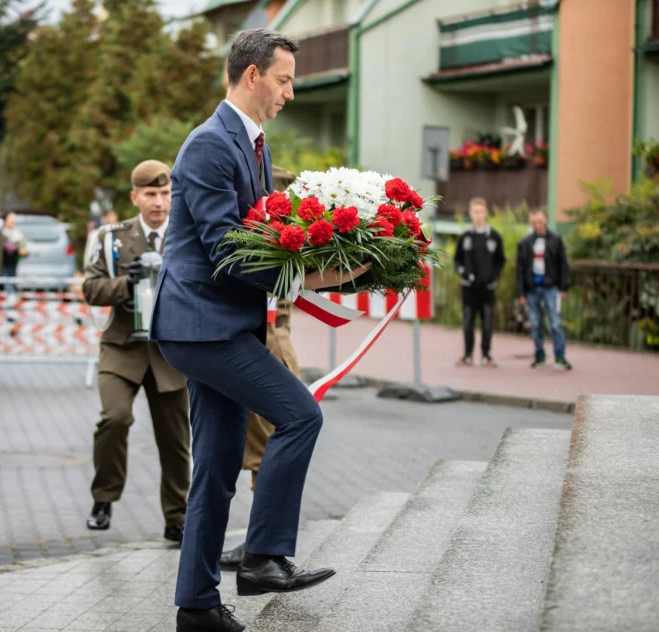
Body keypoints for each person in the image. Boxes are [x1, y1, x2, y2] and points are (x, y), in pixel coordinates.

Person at [149, 28, 369, 632]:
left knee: (216, 471)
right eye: (284, 79)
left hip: (225, 325)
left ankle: (196, 607)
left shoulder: (252, 143)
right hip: (200, 327)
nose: (290, 93)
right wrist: (316, 278)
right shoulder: (207, 146)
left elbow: (262, 236)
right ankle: (265, 555)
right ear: (252, 76)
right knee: (300, 414)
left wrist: (338, 266)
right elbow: (225, 250)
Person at [82, 160, 190, 542]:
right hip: (122, 346)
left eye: (164, 194)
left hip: (171, 351)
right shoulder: (112, 237)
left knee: (175, 439)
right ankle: (104, 498)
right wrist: (127, 283)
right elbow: (91, 289)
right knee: (114, 418)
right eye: (150, 194)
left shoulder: (187, 234)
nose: (158, 202)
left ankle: (177, 517)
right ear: (135, 197)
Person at [220, 165, 301, 569]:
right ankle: (261, 543)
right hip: (267, 338)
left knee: (268, 448)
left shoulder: (280, 233)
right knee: (259, 450)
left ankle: (261, 545)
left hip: (270, 341)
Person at [517, 208, 572, 370]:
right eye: (533, 223)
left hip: (551, 288)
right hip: (532, 288)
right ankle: (539, 355)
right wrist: (521, 292)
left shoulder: (555, 239)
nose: (537, 225)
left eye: (540, 222)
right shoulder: (525, 243)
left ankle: (560, 357)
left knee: (555, 323)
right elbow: (520, 269)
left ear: (546, 220)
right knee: (535, 324)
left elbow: (563, 264)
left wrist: (563, 287)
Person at [454, 197, 505, 367]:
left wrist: (493, 275)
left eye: (481, 212)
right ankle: (467, 355)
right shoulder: (465, 237)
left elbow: (500, 260)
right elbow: (457, 261)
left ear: (486, 213)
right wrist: (464, 273)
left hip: (487, 289)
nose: (478, 215)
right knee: (468, 323)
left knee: (487, 324)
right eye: (475, 212)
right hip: (469, 289)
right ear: (470, 213)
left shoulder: (494, 237)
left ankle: (486, 355)